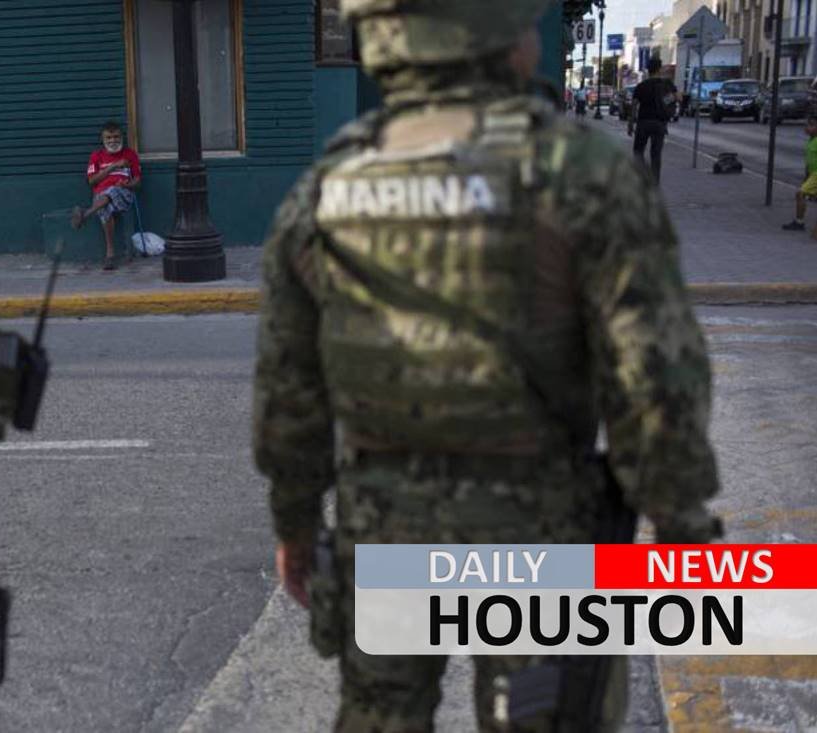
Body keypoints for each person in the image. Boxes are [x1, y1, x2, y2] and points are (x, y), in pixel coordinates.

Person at [252, 1, 722, 730]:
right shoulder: (578, 169)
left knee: (378, 714)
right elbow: (653, 373)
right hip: (538, 521)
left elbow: (290, 389)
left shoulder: (325, 186)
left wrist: (292, 522)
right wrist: (679, 521)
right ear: (502, 35)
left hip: (384, 519)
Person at [71, 121, 141, 270]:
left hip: (124, 194)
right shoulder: (96, 156)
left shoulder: (130, 155)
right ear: (103, 139)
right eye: (108, 138)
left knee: (113, 190)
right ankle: (110, 255)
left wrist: (127, 185)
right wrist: (113, 166)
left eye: (116, 137)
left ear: (122, 137)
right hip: (100, 195)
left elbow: (137, 181)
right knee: (105, 207)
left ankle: (86, 213)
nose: (113, 140)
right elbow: (91, 181)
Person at [629, 57, 677, 183]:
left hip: (643, 122)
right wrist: (664, 101)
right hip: (659, 123)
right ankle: (655, 182)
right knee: (656, 155)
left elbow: (634, 106)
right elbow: (678, 97)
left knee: (638, 152)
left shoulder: (641, 86)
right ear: (659, 69)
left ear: (648, 70)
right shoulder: (666, 84)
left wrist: (630, 124)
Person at [781, 115, 817, 237]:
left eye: (811, 125)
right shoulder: (811, 140)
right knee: (802, 194)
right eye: (807, 125)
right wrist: (806, 176)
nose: (807, 128)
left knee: (800, 193)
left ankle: (799, 222)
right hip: (813, 174)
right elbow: (809, 161)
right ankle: (799, 221)